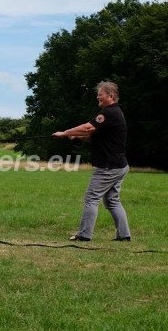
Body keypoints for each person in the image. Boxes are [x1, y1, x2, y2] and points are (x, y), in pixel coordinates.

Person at [52, 81, 130, 241]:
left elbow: (87, 127)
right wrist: (76, 138)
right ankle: (124, 235)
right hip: (120, 165)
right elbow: (93, 134)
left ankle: (84, 235)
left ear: (111, 96)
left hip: (108, 167)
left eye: (100, 94)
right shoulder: (115, 113)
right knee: (112, 200)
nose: (97, 96)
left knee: (91, 198)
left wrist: (64, 133)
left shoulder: (109, 113)